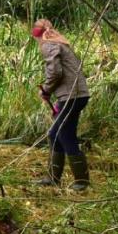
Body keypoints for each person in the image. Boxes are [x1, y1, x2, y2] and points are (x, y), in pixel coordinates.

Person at [32, 18, 91, 191]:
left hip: (71, 96)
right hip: (76, 95)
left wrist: (46, 90)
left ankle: (81, 181)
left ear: (37, 35)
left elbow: (56, 72)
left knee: (64, 135)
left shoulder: (48, 45)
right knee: (55, 134)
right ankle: (53, 178)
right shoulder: (61, 43)